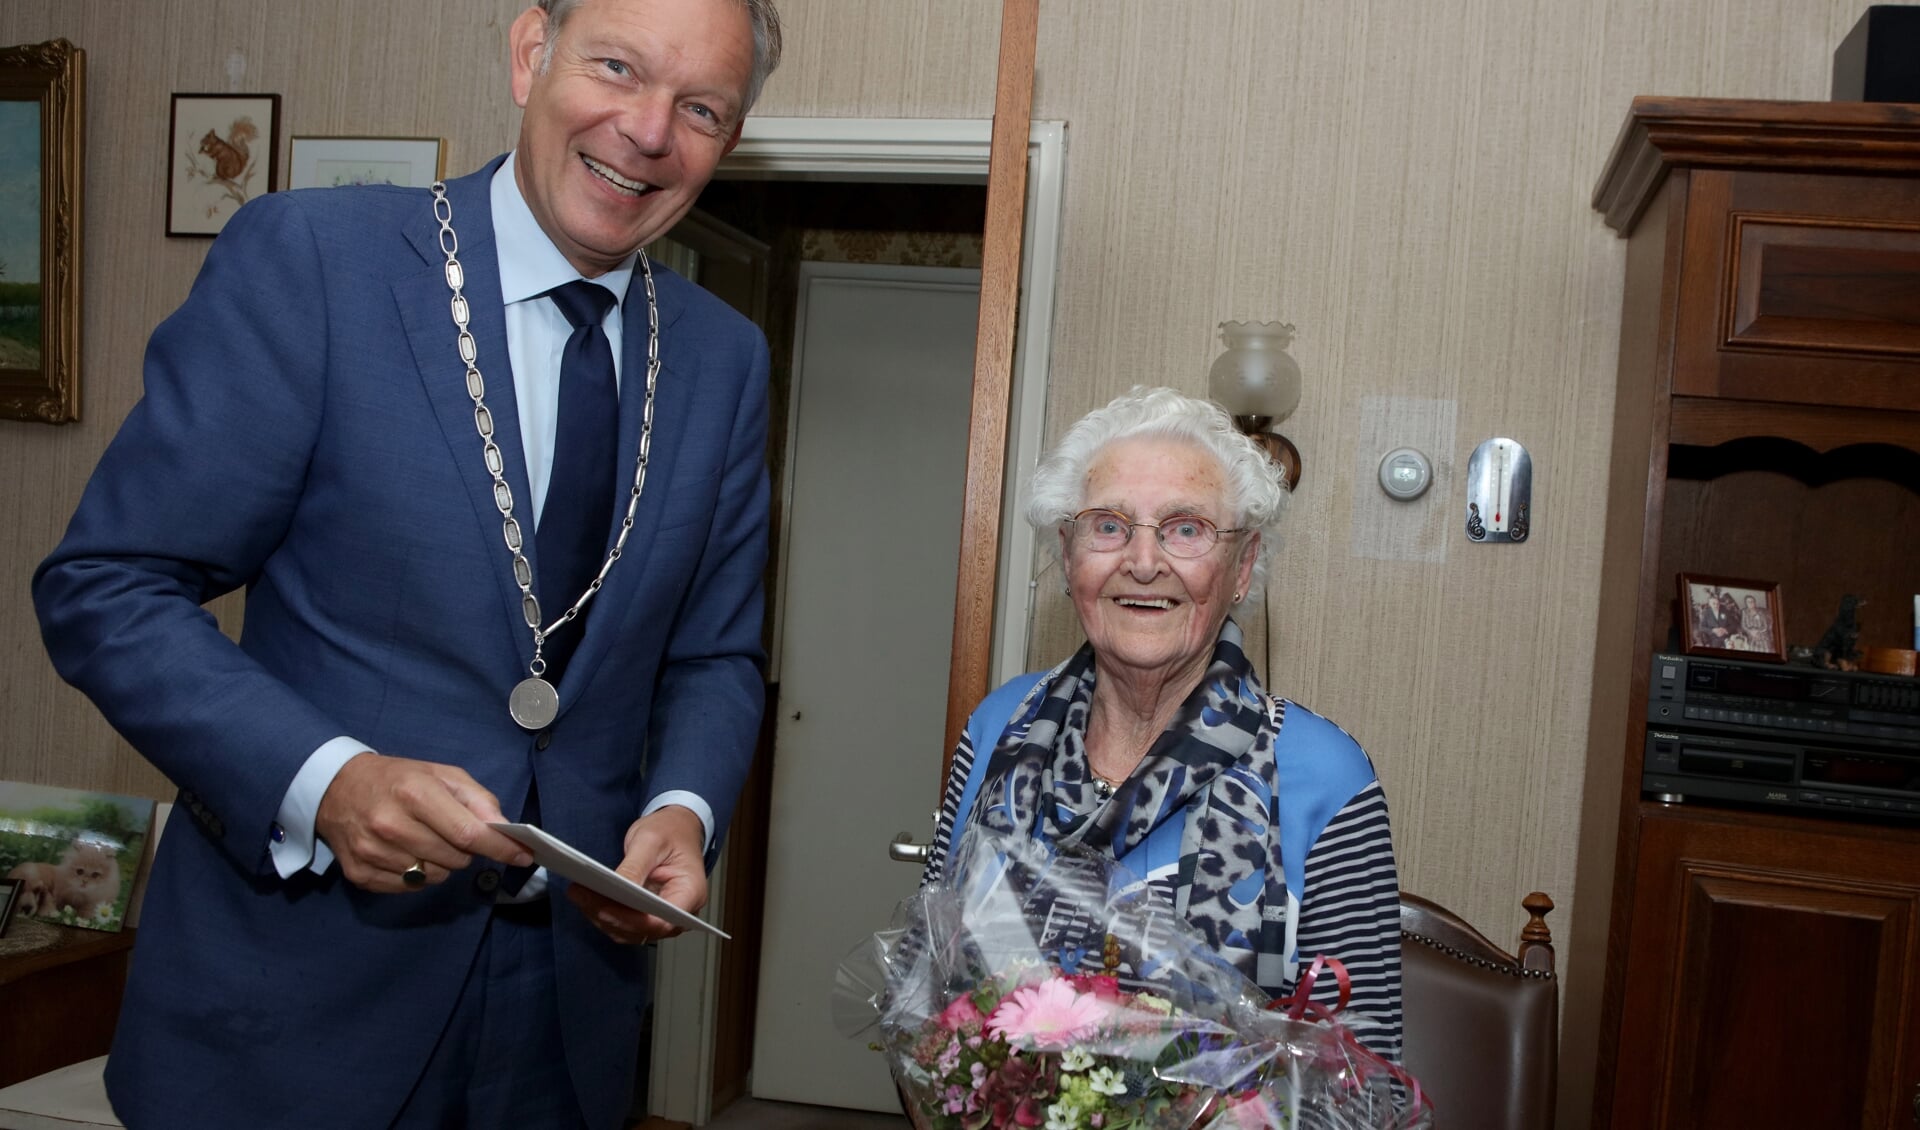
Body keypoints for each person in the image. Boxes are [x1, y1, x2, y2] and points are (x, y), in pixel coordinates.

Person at [31, 0, 781, 1126]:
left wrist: (681, 808)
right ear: (532, 52)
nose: (647, 129)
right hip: (294, 998)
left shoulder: (724, 357)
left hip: (567, 1015)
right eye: (617, 69)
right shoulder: (314, 262)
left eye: (701, 108)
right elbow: (108, 585)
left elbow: (717, 651)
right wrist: (325, 779)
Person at [922, 387, 1405, 1061]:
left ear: (1241, 567)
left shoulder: (1327, 776)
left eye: (1185, 528)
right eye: (1109, 525)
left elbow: (1367, 1073)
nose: (1143, 563)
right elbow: (930, 986)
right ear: (1069, 554)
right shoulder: (998, 723)